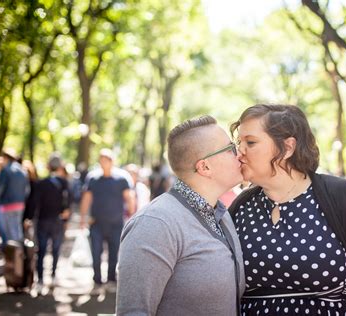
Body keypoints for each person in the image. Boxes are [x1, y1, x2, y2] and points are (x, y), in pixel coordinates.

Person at [229, 104, 346, 316]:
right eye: (239, 143)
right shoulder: (241, 208)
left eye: (251, 142)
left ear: (287, 148)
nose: (239, 153)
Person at [116, 116, 245, 315]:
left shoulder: (221, 214)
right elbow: (134, 311)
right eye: (231, 149)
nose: (240, 154)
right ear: (205, 167)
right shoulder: (155, 224)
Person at [80, 149, 135, 290]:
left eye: (106, 160)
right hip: (96, 223)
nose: (103, 162)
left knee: (114, 252)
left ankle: (111, 278)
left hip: (116, 223)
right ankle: (97, 279)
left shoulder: (122, 179)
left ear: (111, 161)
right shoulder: (93, 179)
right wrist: (83, 218)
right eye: (101, 160)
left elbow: (129, 198)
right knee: (96, 252)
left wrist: (133, 217)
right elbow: (86, 198)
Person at [34, 154, 71, 293]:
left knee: (42, 250)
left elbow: (35, 202)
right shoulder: (64, 183)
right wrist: (66, 219)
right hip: (58, 221)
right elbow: (68, 202)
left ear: (48, 167)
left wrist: (29, 218)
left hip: (43, 220)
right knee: (55, 249)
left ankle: (40, 279)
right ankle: (54, 275)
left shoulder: (41, 183)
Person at [0, 148, 29, 246]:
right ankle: (19, 257)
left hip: (6, 206)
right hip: (20, 205)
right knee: (17, 233)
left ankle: (10, 259)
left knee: (7, 236)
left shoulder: (5, 170)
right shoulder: (23, 170)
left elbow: (0, 189)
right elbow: (27, 190)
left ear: (5, 157)